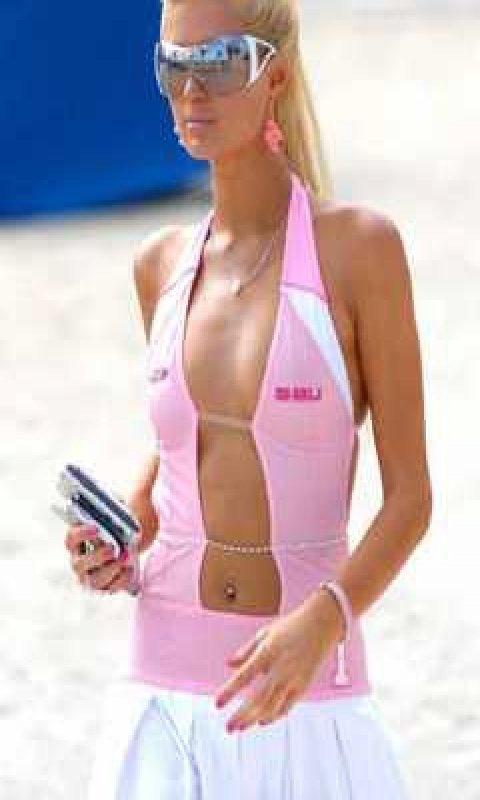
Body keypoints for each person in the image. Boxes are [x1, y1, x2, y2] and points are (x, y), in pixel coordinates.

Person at [65, 1, 432, 797]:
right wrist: (118, 542)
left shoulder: (360, 251)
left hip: (308, 696)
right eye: (173, 66)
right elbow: (178, 459)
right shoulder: (159, 264)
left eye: (220, 61)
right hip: (161, 693)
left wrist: (326, 619)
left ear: (277, 75)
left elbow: (411, 500)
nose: (193, 90)